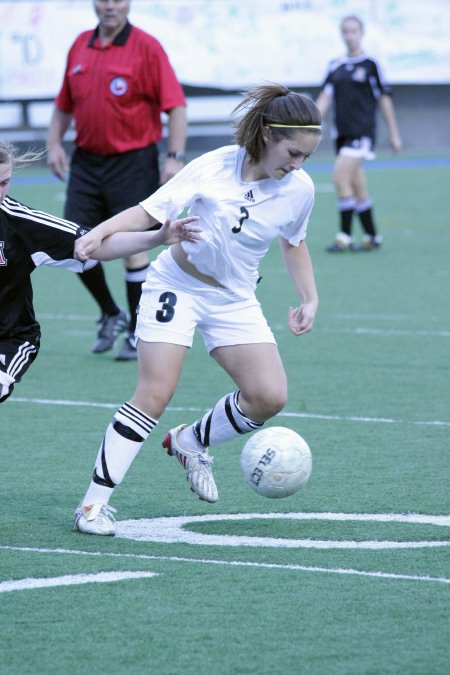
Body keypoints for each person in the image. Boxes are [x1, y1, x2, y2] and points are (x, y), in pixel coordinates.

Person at [71, 83, 322, 536]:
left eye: (306, 156)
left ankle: (191, 441)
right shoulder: (213, 166)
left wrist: (309, 297)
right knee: (155, 393)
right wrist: (99, 232)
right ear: (266, 134)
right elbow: (150, 212)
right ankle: (93, 506)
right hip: (177, 285)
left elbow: (294, 241)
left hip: (235, 298)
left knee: (269, 396)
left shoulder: (299, 189)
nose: (297, 164)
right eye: (292, 152)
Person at [0, 139, 200, 404]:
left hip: (8, 339)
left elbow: (95, 245)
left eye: (4, 182)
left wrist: (156, 238)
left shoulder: (20, 223)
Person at [47, 0, 187, 360]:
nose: (109, 6)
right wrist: (53, 144)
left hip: (133, 161)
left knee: (133, 248)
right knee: (73, 244)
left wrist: (173, 157)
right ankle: (111, 312)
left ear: (128, 4)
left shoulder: (147, 47)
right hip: (86, 163)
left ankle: (139, 331)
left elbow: (176, 106)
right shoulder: (80, 44)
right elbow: (64, 104)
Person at [315, 14, 402, 252]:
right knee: (357, 186)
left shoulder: (370, 64)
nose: (349, 35)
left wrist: (394, 133)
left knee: (339, 178)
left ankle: (344, 236)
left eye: (353, 31)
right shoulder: (336, 65)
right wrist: (310, 123)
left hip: (362, 132)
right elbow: (325, 97)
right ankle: (373, 237)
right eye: (345, 31)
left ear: (361, 33)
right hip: (341, 135)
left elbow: (384, 99)